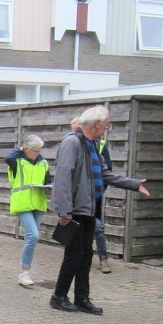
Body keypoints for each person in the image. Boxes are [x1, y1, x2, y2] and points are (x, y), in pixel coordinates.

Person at [50, 106, 150, 315]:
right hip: (75, 209)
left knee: (86, 254)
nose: (107, 128)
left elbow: (105, 174)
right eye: (106, 124)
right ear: (96, 124)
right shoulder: (72, 143)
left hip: (88, 208)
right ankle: (58, 296)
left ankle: (81, 298)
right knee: (74, 254)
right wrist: (65, 210)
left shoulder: (92, 145)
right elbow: (62, 177)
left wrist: (132, 184)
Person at [6, 135, 52, 287]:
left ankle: (25, 272)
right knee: (34, 235)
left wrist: (49, 190)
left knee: (31, 237)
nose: (37, 153)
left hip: (38, 203)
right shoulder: (16, 162)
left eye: (39, 151)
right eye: (34, 151)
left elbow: (48, 181)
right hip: (22, 203)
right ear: (25, 149)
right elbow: (8, 158)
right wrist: (19, 149)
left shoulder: (43, 164)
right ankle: (24, 271)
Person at [71, 116, 113, 273]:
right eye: (74, 130)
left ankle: (103, 258)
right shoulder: (72, 144)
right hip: (77, 202)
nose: (76, 133)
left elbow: (106, 172)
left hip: (94, 198)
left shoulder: (98, 145)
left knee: (97, 228)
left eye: (77, 130)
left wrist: (98, 191)